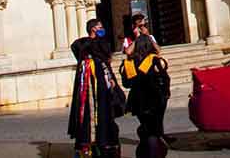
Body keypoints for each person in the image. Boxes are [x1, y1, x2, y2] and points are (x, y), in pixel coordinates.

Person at [68, 18, 126, 157]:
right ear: (93, 29)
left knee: (103, 112)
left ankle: (105, 143)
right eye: (100, 27)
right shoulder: (82, 45)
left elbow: (107, 59)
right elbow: (76, 47)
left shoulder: (101, 46)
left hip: (101, 85)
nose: (102, 29)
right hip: (87, 86)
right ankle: (88, 145)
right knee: (87, 112)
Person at [121, 27, 171, 158]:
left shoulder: (129, 63)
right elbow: (165, 79)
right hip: (155, 99)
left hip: (137, 101)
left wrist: (136, 42)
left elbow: (126, 83)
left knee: (146, 128)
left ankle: (145, 152)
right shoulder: (155, 60)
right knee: (153, 131)